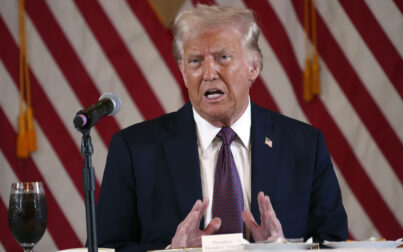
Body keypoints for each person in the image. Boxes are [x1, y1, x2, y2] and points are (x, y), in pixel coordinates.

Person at [95, 4, 347, 251]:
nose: (208, 73)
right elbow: (104, 248)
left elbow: (332, 243)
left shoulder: (305, 146)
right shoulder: (135, 150)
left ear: (254, 66)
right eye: (195, 61)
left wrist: (285, 250)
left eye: (222, 58)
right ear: (183, 72)